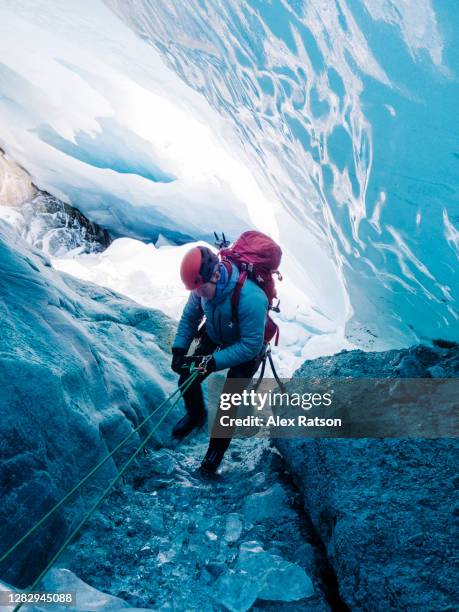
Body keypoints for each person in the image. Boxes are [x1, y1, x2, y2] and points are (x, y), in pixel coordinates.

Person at [171, 245, 268, 474]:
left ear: (215, 275)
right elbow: (190, 317)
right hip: (217, 332)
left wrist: (212, 362)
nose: (198, 294)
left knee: (229, 400)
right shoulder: (201, 286)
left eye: (201, 289)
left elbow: (251, 345)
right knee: (187, 377)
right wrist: (179, 350)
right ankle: (196, 416)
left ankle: (215, 452)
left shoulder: (251, 297)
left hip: (248, 347)